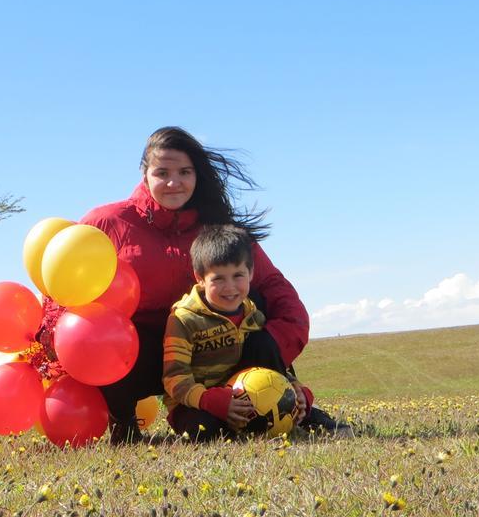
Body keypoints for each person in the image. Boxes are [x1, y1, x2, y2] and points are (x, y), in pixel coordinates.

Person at [80, 126, 337, 443]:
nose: (174, 183)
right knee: (101, 334)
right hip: (140, 354)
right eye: (163, 172)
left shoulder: (219, 227)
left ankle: (292, 408)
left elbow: (274, 287)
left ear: (197, 175)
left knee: (248, 293)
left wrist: (274, 342)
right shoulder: (107, 222)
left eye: (185, 172)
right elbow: (68, 293)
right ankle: (124, 423)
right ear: (145, 174)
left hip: (213, 351)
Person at [162, 224, 312, 441]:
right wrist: (210, 401)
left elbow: (271, 370)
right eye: (218, 278)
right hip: (194, 403)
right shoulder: (183, 320)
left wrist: (296, 389)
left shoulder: (254, 316)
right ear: (200, 278)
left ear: (251, 273)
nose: (230, 287)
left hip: (241, 399)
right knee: (207, 432)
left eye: (238, 275)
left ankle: (310, 414)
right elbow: (174, 379)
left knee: (280, 415)